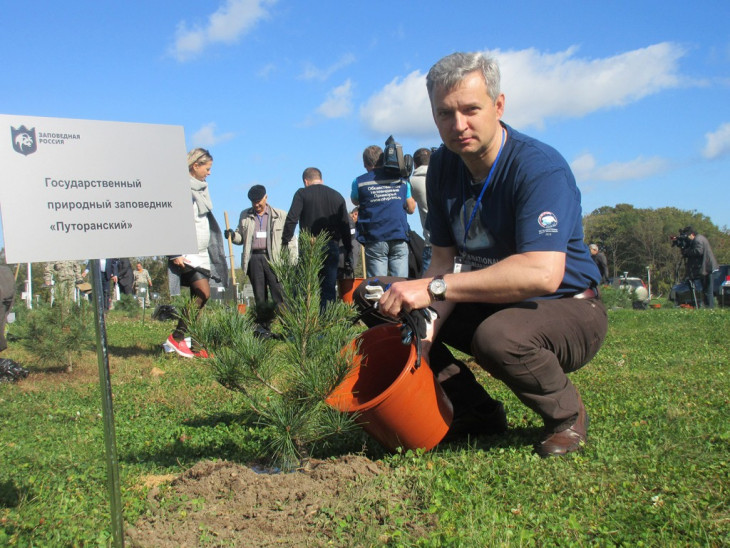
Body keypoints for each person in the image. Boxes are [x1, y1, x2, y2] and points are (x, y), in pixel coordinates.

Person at [359, 51, 607, 457]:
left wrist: (435, 288)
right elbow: (441, 259)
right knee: (380, 297)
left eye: (471, 110)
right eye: (445, 114)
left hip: (567, 305)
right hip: (491, 298)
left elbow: (542, 274)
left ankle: (566, 415)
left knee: (498, 336)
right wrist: (425, 330)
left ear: (498, 105)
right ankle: (474, 411)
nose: (458, 126)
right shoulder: (442, 167)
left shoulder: (538, 168)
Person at [165, 148, 228, 358]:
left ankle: (196, 345)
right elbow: (171, 221)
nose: (209, 173)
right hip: (187, 252)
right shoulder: (181, 190)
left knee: (198, 299)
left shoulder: (202, 190)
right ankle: (176, 337)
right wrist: (175, 252)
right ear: (195, 166)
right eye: (207, 168)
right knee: (203, 293)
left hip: (202, 252)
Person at [282, 167, 352, 311]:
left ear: (305, 182)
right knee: (328, 288)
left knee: (306, 287)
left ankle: (306, 323)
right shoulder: (337, 196)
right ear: (321, 179)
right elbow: (345, 225)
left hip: (310, 246)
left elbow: (292, 219)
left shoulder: (302, 194)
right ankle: (326, 323)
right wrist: (348, 251)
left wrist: (285, 241)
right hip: (331, 246)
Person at [225, 185, 295, 322]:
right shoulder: (245, 215)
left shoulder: (280, 215)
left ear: (266, 197)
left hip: (274, 259)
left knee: (279, 294)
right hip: (254, 259)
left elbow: (290, 239)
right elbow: (241, 238)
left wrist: (291, 260)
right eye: (253, 202)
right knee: (259, 296)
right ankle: (264, 327)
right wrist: (232, 235)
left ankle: (287, 326)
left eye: (259, 201)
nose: (257, 204)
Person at [351, 145, 417, 278]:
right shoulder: (401, 180)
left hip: (375, 236)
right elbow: (411, 208)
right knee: (399, 282)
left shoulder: (359, 182)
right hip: (398, 234)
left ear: (365, 163)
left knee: (377, 285)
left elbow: (355, 201)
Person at [683, 227, 718, 308]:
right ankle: (709, 306)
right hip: (708, 266)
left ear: (692, 234)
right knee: (707, 290)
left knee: (707, 290)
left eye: (688, 236)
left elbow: (699, 251)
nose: (688, 238)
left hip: (707, 267)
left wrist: (687, 251)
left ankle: (709, 307)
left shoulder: (697, 240)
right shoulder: (701, 238)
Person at [410, 147, 432, 273]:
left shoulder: (413, 182)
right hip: (452, 244)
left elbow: (410, 208)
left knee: (427, 287)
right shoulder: (444, 176)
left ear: (414, 164)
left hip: (430, 242)